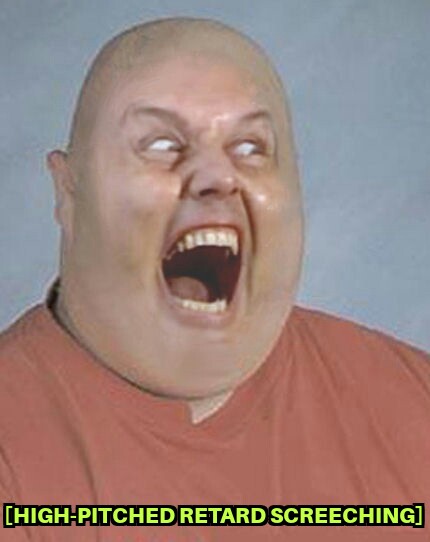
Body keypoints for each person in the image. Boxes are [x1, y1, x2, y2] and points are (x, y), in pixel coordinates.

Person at [0, 17, 428, 542]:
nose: (217, 176)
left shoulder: (414, 403)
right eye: (162, 144)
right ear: (68, 193)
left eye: (250, 148)